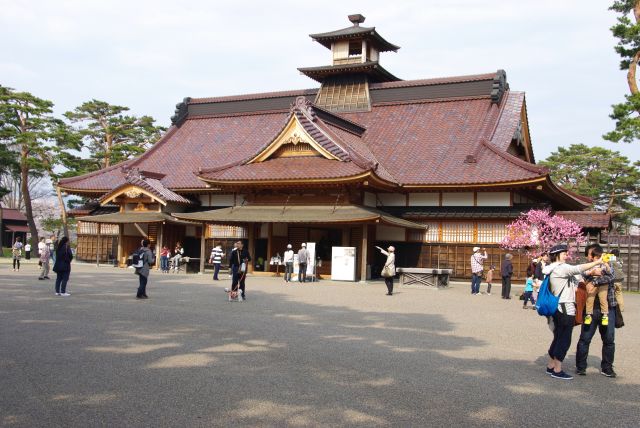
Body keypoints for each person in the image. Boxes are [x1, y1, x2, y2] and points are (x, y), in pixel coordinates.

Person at [543, 244, 602, 380]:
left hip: (559, 308)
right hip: (565, 308)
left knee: (558, 336)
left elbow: (578, 274)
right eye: (564, 253)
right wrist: (597, 262)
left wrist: (590, 272)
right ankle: (557, 370)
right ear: (557, 255)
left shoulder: (554, 269)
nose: (566, 255)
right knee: (564, 338)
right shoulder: (561, 268)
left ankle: (551, 365)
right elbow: (578, 269)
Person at [576, 244, 618, 378]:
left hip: (607, 309)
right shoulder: (585, 267)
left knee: (609, 339)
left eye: (591, 255)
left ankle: (607, 367)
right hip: (590, 309)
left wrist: (595, 281)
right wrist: (591, 273)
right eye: (589, 255)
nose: (589, 257)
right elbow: (580, 276)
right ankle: (581, 366)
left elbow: (611, 277)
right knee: (585, 338)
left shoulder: (607, 263)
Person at [583, 245, 613, 326]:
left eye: (600, 257)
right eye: (596, 257)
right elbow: (584, 273)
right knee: (590, 298)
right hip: (592, 282)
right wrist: (591, 272)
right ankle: (588, 314)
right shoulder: (590, 264)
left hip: (602, 284)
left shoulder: (604, 264)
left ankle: (605, 315)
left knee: (603, 299)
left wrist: (606, 264)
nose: (598, 259)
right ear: (592, 257)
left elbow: (610, 274)